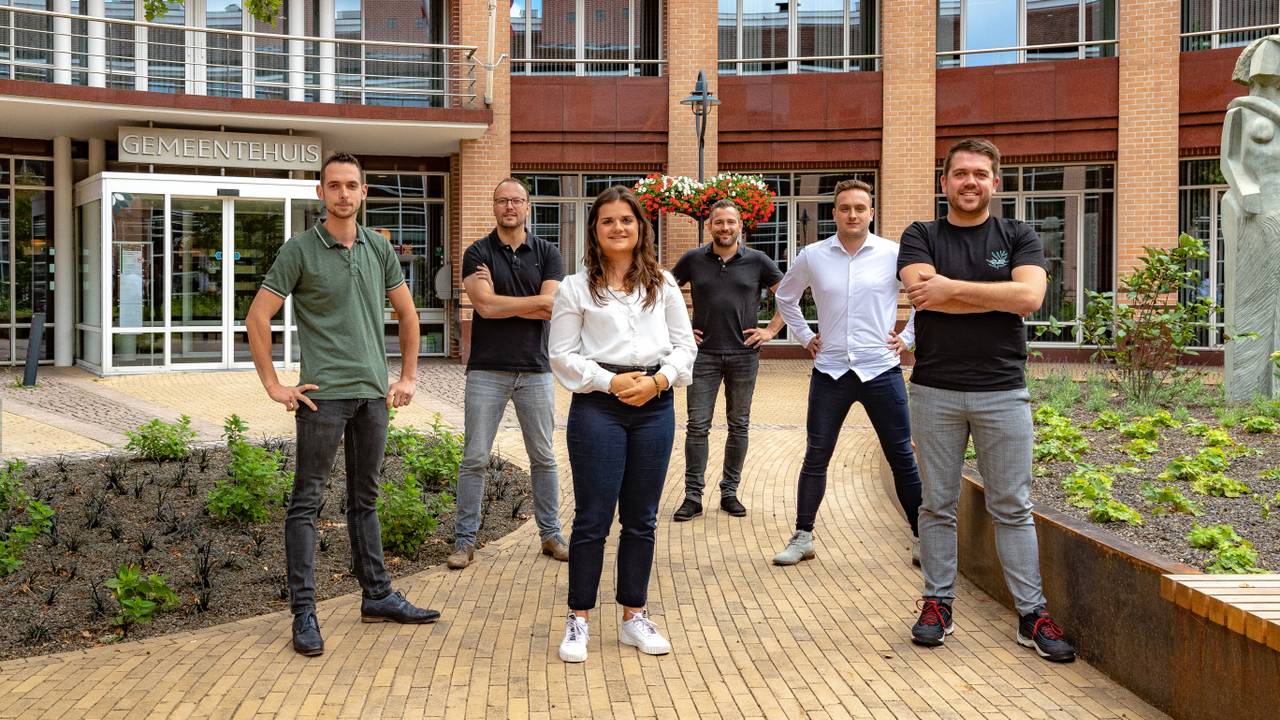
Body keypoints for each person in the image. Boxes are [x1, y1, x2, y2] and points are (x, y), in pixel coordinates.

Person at [246, 151, 440, 658]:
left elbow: (408, 314)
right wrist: (274, 385)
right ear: (321, 194)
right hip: (322, 398)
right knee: (306, 504)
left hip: (373, 396)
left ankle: (376, 596)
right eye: (334, 186)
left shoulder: (379, 247)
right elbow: (258, 317)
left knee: (365, 500)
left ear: (363, 193)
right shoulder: (300, 251)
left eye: (351, 185)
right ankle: (304, 612)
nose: (343, 194)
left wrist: (409, 376)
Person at [898, 138, 1076, 663]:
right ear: (944, 182)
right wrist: (993, 296)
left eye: (980, 174)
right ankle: (937, 604)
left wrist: (952, 290)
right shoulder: (921, 234)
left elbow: (1029, 299)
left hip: (1003, 391)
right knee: (937, 504)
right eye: (960, 174)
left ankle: (1031, 615)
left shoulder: (1018, 234)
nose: (970, 182)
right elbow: (922, 295)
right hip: (934, 390)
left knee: (1013, 507)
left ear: (995, 183)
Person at [548, 186, 695, 663]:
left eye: (626, 220)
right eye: (608, 220)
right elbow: (561, 356)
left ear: (640, 228)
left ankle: (635, 616)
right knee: (592, 518)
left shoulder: (665, 284)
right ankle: (578, 619)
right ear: (595, 229)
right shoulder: (575, 287)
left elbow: (684, 346)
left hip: (655, 403)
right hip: (598, 406)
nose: (618, 228)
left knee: (642, 518)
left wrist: (659, 382)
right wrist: (609, 383)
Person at [771, 179, 923, 568]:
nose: (852, 214)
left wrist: (907, 337)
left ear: (871, 212)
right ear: (834, 213)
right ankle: (803, 536)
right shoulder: (813, 255)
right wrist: (804, 335)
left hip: (881, 370)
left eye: (860, 208)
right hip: (831, 371)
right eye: (844, 208)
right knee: (816, 457)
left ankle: (924, 539)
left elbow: (924, 297)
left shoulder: (894, 254)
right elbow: (784, 296)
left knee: (902, 457)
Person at [448, 178, 567, 570]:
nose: (510, 207)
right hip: (486, 370)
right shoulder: (476, 252)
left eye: (516, 200)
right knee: (474, 458)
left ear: (528, 205)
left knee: (544, 457)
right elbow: (483, 308)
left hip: (535, 368)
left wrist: (501, 302)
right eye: (503, 200)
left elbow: (553, 308)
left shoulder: (549, 253)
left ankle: (550, 535)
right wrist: (526, 303)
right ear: (494, 206)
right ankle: (465, 542)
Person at [670, 199, 784, 521]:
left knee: (739, 425)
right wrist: (677, 331)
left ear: (740, 226)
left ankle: (729, 492)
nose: (725, 228)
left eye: (731, 222)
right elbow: (662, 293)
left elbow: (788, 295)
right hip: (702, 355)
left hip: (744, 355)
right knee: (697, 427)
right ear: (710, 226)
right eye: (719, 222)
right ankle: (693, 496)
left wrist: (771, 330)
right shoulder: (693, 259)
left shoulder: (758, 261)